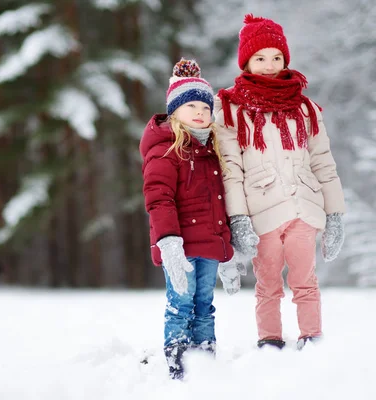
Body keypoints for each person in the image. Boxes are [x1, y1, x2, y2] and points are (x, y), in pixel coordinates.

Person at [214, 14, 346, 351]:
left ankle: (312, 339)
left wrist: (335, 215)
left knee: (305, 280)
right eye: (260, 58)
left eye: (276, 58)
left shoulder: (304, 108)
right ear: (246, 62)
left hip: (304, 205)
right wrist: (239, 218)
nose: (269, 65)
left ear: (286, 59)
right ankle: (269, 342)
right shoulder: (230, 109)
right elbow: (230, 169)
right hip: (261, 213)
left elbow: (323, 162)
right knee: (268, 283)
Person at [139, 58, 234, 379]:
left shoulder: (213, 153)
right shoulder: (166, 150)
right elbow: (158, 197)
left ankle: (204, 360)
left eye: (205, 107)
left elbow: (220, 202)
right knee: (180, 303)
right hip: (179, 245)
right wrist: (168, 242)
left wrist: (228, 249)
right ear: (174, 111)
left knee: (205, 306)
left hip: (208, 245)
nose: (199, 112)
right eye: (190, 105)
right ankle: (177, 362)